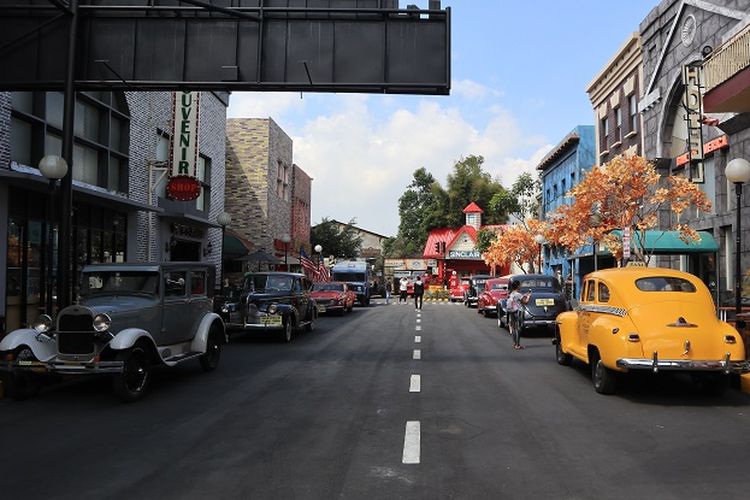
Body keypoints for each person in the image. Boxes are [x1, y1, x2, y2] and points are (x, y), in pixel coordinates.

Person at [507, 280, 531, 350]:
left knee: (514, 328)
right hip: (518, 312)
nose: (520, 286)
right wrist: (529, 296)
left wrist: (525, 295)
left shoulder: (511, 294)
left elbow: (518, 299)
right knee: (518, 328)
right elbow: (525, 302)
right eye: (520, 285)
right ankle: (518, 345)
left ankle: (514, 343)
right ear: (517, 286)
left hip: (512, 311)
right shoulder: (518, 295)